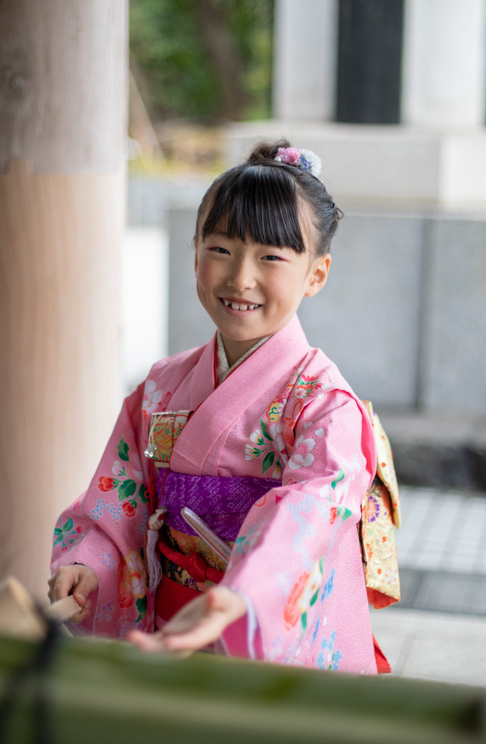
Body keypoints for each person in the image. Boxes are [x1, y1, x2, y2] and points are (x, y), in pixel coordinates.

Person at [48, 140, 399, 673]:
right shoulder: (162, 388)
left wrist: (244, 598)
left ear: (317, 273)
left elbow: (306, 519)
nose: (241, 278)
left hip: (259, 632)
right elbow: (120, 504)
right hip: (170, 626)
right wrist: (89, 565)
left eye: (271, 257)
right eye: (221, 249)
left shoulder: (324, 409)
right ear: (194, 253)